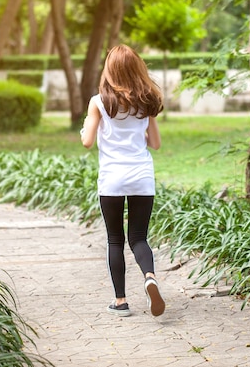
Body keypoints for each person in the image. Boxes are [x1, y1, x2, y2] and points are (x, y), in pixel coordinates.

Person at [80, 44, 165, 317]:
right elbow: (155, 143)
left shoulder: (99, 102)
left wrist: (86, 125)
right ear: (136, 68)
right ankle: (149, 276)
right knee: (139, 237)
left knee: (115, 240)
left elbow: (87, 141)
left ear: (110, 69)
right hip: (141, 177)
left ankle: (120, 302)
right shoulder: (147, 101)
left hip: (112, 179)